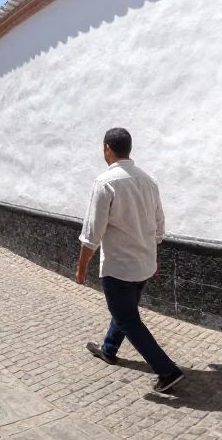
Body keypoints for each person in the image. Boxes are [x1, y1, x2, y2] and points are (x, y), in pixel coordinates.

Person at [76, 127, 184, 393]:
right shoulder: (149, 180)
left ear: (107, 149)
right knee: (125, 311)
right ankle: (109, 349)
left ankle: (167, 371)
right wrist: (155, 257)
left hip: (119, 268)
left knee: (127, 318)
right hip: (144, 264)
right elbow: (159, 225)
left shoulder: (105, 183)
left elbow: (92, 234)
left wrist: (81, 269)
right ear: (129, 148)